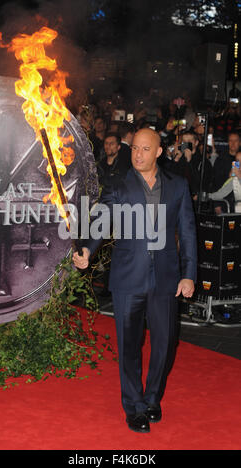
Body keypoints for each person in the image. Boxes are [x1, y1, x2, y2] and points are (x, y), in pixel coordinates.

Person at [73, 128, 197, 434]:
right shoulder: (119, 185)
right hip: (129, 278)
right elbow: (102, 221)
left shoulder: (178, 186)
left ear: (159, 152)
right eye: (135, 149)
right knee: (129, 347)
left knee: (165, 345)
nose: (138, 154)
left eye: (145, 149)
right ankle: (135, 406)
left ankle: (153, 398)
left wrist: (188, 274)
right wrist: (88, 249)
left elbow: (189, 233)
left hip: (167, 279)